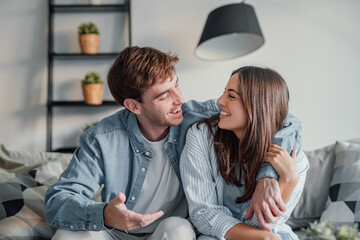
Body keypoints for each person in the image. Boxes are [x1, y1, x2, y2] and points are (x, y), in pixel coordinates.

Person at [45, 46, 301, 240]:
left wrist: (267, 177)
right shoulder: (102, 139)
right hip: (115, 233)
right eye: (165, 95)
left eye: (176, 85)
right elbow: (58, 200)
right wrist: (105, 215)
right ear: (133, 106)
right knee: (67, 234)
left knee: (177, 229)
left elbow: (278, 116)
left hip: (169, 230)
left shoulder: (195, 116)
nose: (179, 99)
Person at [180, 66, 309, 240]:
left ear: (258, 105)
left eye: (231, 96)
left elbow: (266, 226)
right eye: (224, 92)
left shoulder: (295, 161)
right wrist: (265, 238)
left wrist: (288, 181)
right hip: (216, 235)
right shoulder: (202, 135)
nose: (219, 101)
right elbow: (203, 214)